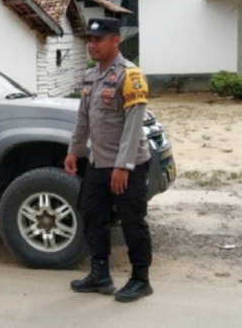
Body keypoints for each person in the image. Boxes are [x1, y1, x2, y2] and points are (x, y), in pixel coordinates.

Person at [64, 17, 153, 303]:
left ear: (116, 40)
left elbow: (133, 124)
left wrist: (123, 166)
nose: (92, 45)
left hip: (129, 165)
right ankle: (100, 274)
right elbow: (83, 119)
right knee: (92, 216)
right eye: (89, 40)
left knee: (132, 221)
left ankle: (141, 279)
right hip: (98, 162)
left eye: (98, 39)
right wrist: (73, 150)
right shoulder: (91, 76)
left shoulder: (131, 75)